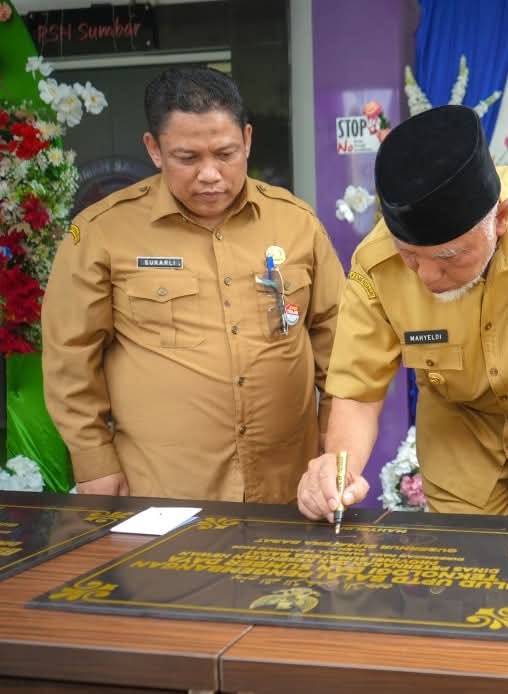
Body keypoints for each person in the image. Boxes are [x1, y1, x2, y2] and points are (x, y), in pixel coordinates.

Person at [295, 105, 508, 544]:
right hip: (458, 438)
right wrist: (337, 470)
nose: (426, 276)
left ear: (501, 219)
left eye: (448, 257)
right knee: (466, 567)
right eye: (409, 256)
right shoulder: (375, 264)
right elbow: (357, 391)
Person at [42, 67, 345, 502]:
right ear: (154, 149)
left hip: (288, 484)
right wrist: (94, 461)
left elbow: (339, 341)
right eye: (187, 158)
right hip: (164, 487)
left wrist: (335, 440)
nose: (209, 174)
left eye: (225, 154)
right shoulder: (102, 232)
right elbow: (70, 355)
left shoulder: (296, 222)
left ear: (247, 139)